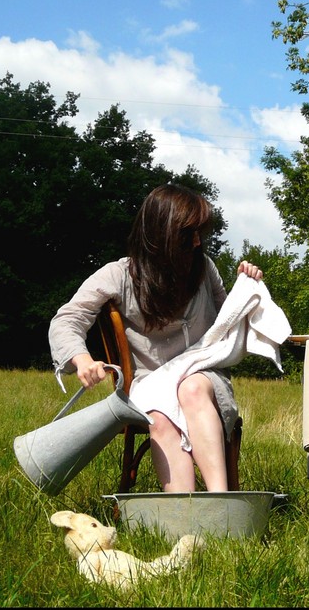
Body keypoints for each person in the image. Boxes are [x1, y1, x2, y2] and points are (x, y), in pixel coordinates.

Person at [48, 183, 264, 493]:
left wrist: (248, 287)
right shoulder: (119, 275)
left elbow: (230, 323)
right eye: (188, 234)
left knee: (190, 389)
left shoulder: (205, 269)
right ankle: (182, 512)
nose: (197, 241)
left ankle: (221, 503)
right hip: (149, 383)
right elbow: (68, 318)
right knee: (158, 417)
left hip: (203, 374)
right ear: (161, 234)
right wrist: (81, 358)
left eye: (200, 232)